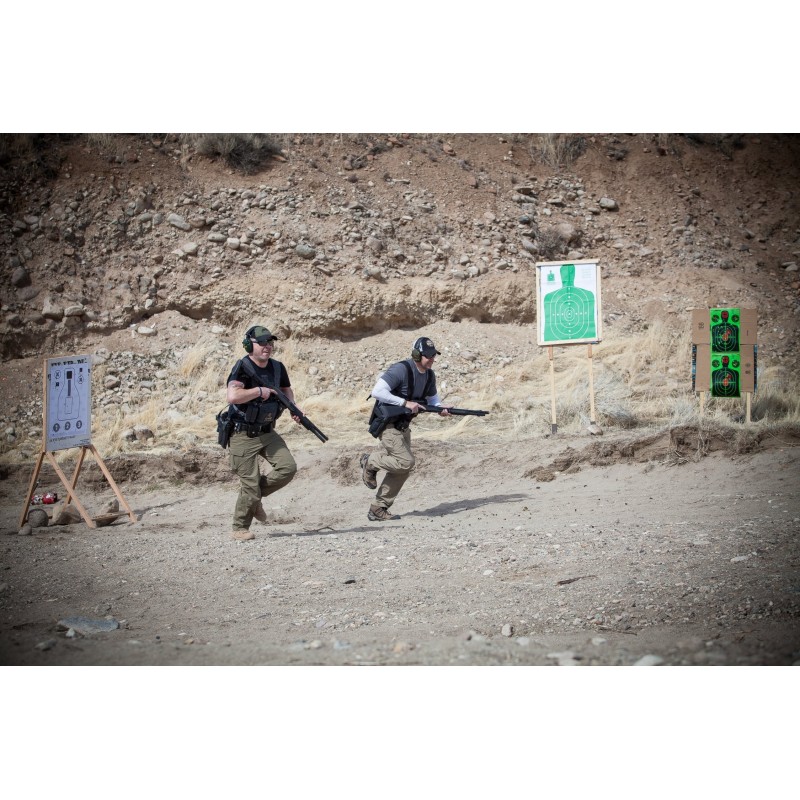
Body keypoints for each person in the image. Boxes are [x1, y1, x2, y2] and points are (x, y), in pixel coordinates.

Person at [360, 336, 451, 521]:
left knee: (402, 468)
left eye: (434, 355)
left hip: (403, 426)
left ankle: (378, 508)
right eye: (428, 356)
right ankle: (370, 461)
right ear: (416, 355)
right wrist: (405, 402)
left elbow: (433, 399)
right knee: (405, 462)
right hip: (388, 425)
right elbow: (377, 391)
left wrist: (440, 408)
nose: (432, 359)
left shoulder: (429, 375)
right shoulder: (400, 369)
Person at [225, 325, 300, 541]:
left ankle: (254, 498)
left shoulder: (277, 367)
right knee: (250, 485)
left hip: (267, 431)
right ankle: (239, 528)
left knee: (288, 468)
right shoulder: (242, 367)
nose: (267, 346)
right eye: (262, 343)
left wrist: (293, 407)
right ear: (249, 345)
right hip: (242, 434)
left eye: (270, 342)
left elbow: (286, 389)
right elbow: (233, 396)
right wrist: (258, 391)